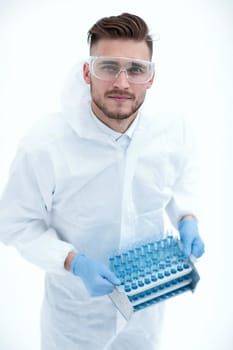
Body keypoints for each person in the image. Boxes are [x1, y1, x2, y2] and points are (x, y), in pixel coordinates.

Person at [0, 12, 205, 350]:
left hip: (146, 311)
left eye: (137, 70)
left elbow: (184, 182)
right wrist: (72, 262)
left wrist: (188, 218)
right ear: (87, 72)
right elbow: (15, 224)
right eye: (108, 67)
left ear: (150, 79)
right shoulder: (46, 144)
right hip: (75, 321)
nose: (122, 83)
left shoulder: (173, 131)